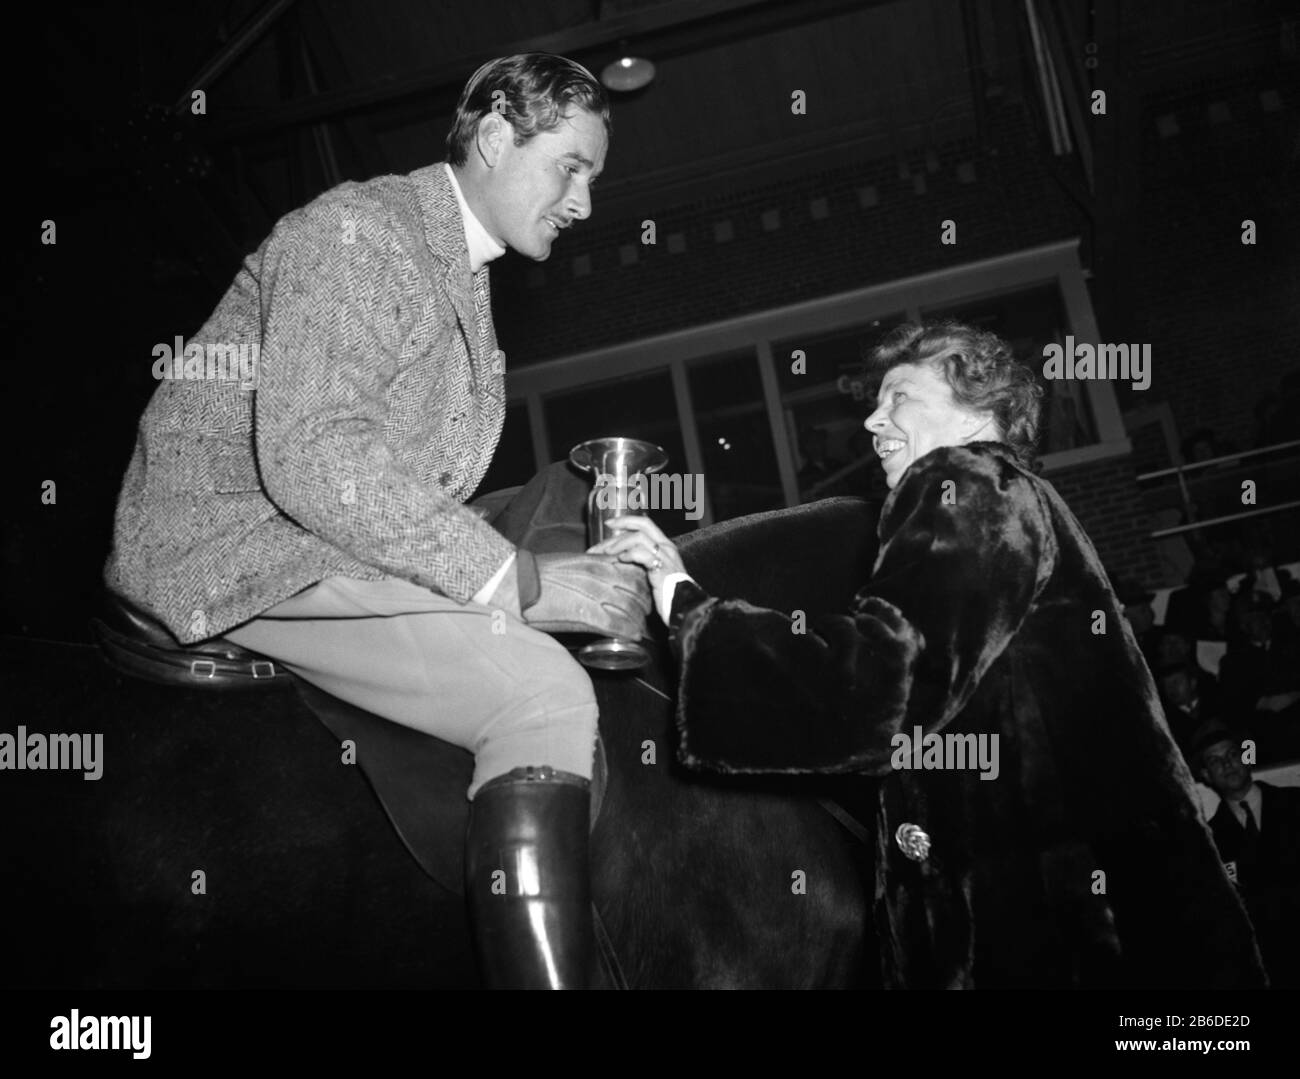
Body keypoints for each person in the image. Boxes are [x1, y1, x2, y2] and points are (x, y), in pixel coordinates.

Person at [103, 53, 650, 989]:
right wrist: (518, 582)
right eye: (573, 167)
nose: (587, 203)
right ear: (490, 138)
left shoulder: (459, 276)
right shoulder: (361, 233)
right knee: (541, 693)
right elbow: (316, 457)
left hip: (310, 531)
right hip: (237, 544)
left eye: (594, 177)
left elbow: (400, 482)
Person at [592, 320, 1265, 988]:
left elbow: (883, 682)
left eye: (899, 398)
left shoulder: (968, 485)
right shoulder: (1013, 502)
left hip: (1055, 939)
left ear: (977, 411)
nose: (872, 422)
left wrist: (682, 600)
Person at [1193, 722, 1300, 987]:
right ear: (1206, 775)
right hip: (1271, 966)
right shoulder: (1211, 841)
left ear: (1247, 757)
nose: (1227, 764)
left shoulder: (1294, 803)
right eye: (1215, 761)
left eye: (1231, 754)